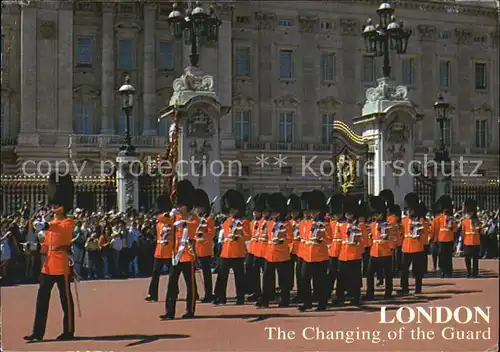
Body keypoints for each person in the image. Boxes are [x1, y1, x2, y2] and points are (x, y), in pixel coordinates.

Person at [24, 172, 76, 342]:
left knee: (65, 301)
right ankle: (37, 333)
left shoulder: (67, 222)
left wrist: (45, 225)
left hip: (62, 266)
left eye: (57, 204)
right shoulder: (51, 223)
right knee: (41, 301)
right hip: (48, 265)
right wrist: (35, 247)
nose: (54, 207)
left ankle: (68, 331)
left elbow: (59, 229)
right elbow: (47, 246)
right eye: (53, 204)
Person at [161, 180, 199, 320]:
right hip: (175, 255)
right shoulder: (174, 217)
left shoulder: (193, 219)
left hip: (188, 255)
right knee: (171, 284)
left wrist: (184, 223)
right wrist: (169, 215)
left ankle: (190, 310)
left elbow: (193, 233)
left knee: (190, 286)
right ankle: (169, 311)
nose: (179, 207)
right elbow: (161, 220)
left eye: (181, 205)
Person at [213, 189, 251, 305]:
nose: (232, 212)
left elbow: (248, 235)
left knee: (239, 277)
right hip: (226, 251)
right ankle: (221, 297)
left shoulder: (244, 221)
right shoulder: (227, 221)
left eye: (233, 210)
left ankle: (240, 297)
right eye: (231, 210)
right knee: (222, 276)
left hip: (238, 252)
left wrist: (239, 235)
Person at [298, 190, 332, 311]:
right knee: (304, 279)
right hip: (307, 255)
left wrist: (321, 238)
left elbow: (329, 239)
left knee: (320, 281)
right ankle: (307, 302)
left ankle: (322, 303)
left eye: (315, 211)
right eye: (311, 211)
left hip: (320, 255)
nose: (313, 214)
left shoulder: (325, 224)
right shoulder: (304, 223)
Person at [257, 193, 293, 308]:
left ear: (279, 213)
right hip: (270, 253)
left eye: (273, 213)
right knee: (267, 278)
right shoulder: (269, 223)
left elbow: (290, 238)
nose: (271, 215)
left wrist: (281, 241)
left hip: (282, 253)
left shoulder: (286, 224)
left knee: (283, 279)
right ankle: (265, 299)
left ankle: (285, 299)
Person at [336, 195, 364, 307]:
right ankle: (340, 297)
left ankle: (355, 297)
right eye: (347, 214)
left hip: (355, 255)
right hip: (343, 254)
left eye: (350, 214)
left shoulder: (359, 226)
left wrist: (358, 248)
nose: (348, 216)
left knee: (355, 278)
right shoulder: (342, 226)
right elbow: (339, 240)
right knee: (341, 278)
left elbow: (363, 241)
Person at [365, 196, 395, 300]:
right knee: (369, 274)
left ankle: (388, 292)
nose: (375, 216)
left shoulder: (388, 225)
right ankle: (370, 293)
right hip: (374, 251)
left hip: (385, 251)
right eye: (374, 214)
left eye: (377, 214)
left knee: (387, 274)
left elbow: (390, 237)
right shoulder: (372, 225)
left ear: (382, 214)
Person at [145, 194, 174, 302]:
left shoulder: (170, 219)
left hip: (170, 251)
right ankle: (153, 294)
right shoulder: (158, 223)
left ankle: (175, 291)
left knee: (174, 275)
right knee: (155, 273)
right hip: (159, 251)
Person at [400, 195, 428, 295]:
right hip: (406, 246)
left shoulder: (421, 221)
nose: (408, 212)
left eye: (410, 210)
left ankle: (418, 288)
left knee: (417, 270)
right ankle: (404, 288)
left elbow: (424, 233)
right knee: (404, 269)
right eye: (407, 210)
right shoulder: (404, 220)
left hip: (417, 246)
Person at [193, 188, 216, 303]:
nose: (197, 209)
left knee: (206, 273)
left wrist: (202, 235)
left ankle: (208, 293)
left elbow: (212, 233)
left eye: (199, 207)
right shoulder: (195, 219)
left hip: (205, 249)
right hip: (195, 248)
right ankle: (194, 293)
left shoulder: (209, 219)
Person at [432, 195, 457, 278]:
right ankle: (442, 270)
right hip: (441, 239)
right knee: (441, 256)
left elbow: (455, 230)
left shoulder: (452, 219)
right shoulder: (438, 218)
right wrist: (434, 239)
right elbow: (435, 229)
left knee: (449, 256)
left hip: (449, 239)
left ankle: (449, 271)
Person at [326, 193, 344, 302]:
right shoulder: (331, 223)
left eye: (338, 214)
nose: (337, 216)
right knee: (331, 274)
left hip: (342, 251)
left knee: (341, 275)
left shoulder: (344, 223)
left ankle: (340, 295)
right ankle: (328, 293)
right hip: (332, 251)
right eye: (335, 214)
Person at [461, 199, 481, 278]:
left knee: (475, 259)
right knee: (467, 259)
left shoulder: (477, 220)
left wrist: (479, 227)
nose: (469, 214)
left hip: (476, 242)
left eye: (470, 212)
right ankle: (469, 272)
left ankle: (475, 273)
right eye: (468, 212)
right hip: (467, 242)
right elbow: (463, 232)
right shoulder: (464, 221)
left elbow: (481, 231)